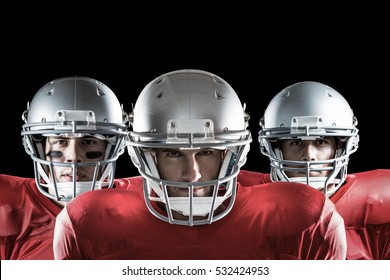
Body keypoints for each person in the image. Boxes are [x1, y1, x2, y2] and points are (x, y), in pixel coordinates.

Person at [53, 69, 346, 260]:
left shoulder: (307, 216)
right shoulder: (86, 221)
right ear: (144, 156)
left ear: (234, 154)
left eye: (206, 152)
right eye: (172, 153)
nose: (191, 175)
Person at [258, 81, 390, 260]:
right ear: (276, 149)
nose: (309, 156)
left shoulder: (379, 206)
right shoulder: (246, 203)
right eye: (296, 142)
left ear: (339, 148)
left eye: (321, 142)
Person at [0, 76, 129, 259]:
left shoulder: (143, 204)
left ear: (112, 148)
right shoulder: (6, 205)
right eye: (61, 141)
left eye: (89, 141)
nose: (74, 157)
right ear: (37, 147)